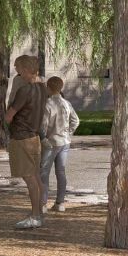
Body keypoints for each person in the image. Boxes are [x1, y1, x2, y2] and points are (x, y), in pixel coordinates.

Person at [4, 54, 47, 229]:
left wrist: (8, 116)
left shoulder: (24, 90)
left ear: (26, 69)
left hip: (22, 137)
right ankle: (39, 213)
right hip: (34, 137)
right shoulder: (42, 88)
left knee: (30, 179)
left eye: (18, 68)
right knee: (36, 177)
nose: (17, 72)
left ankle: (35, 216)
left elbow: (9, 116)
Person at [40, 76, 80, 214]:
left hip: (50, 143)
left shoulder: (47, 104)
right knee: (61, 172)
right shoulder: (66, 103)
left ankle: (42, 204)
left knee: (44, 173)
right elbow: (76, 120)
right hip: (65, 142)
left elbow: (43, 126)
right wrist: (69, 133)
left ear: (48, 88)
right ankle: (60, 203)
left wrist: (43, 138)